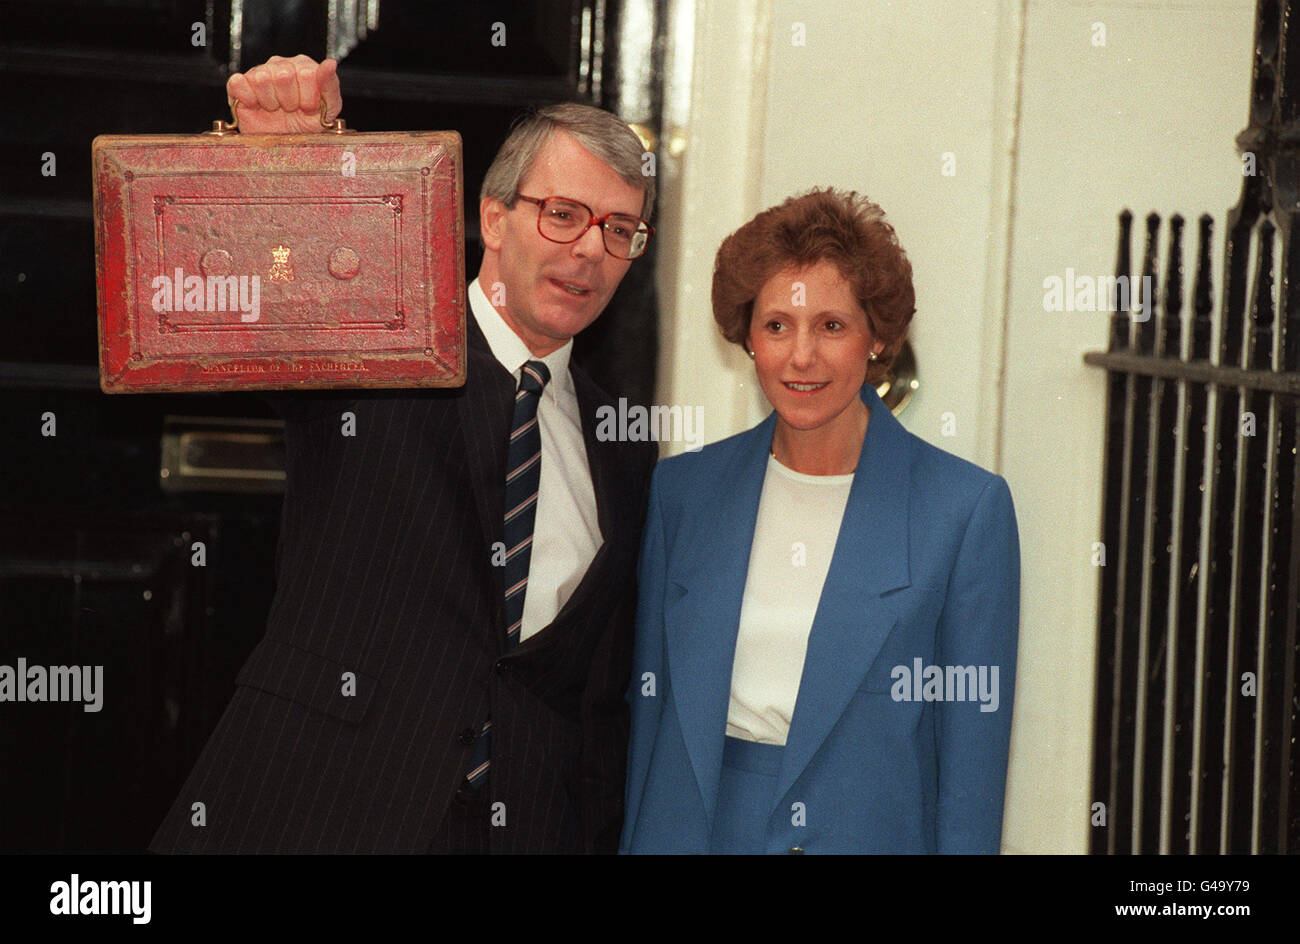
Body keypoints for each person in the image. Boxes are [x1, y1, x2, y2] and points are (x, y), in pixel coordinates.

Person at [150, 55, 658, 854]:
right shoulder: (378, 339)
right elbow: (254, 296)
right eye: (563, 213)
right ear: (493, 217)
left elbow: (590, 696)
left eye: (619, 229)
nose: (590, 249)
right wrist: (291, 160)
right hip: (312, 812)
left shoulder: (623, 443)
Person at [620, 189, 1020, 854]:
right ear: (748, 339)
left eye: (831, 326)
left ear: (879, 337)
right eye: (777, 325)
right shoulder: (683, 494)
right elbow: (649, 730)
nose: (801, 356)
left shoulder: (964, 512)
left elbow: (970, 780)